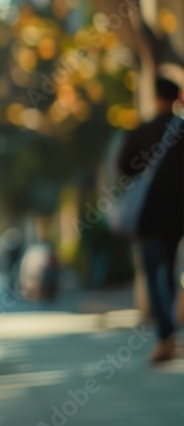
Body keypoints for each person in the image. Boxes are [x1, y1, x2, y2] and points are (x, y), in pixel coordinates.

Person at [117, 76, 184, 364]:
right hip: (179, 214)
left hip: (149, 215)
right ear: (176, 97)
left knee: (154, 274)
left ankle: (166, 336)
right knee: (169, 273)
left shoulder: (141, 131)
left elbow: (123, 167)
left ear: (153, 96)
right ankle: (169, 331)